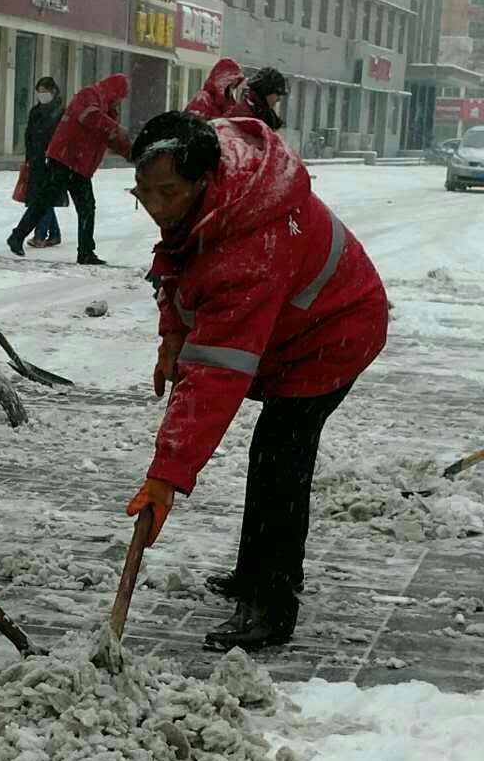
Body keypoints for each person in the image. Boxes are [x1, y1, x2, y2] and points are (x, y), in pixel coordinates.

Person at [126, 111, 388, 653]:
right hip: (294, 324)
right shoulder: (212, 194)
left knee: (280, 456)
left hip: (334, 332)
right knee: (272, 454)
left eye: (167, 192)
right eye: (142, 191)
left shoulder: (251, 246)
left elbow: (216, 374)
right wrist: (171, 334)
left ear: (203, 181)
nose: (154, 206)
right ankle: (256, 573)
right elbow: (178, 262)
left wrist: (167, 475)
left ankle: (271, 604)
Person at [7, 73, 131, 265]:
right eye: (119, 98)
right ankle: (18, 236)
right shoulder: (89, 95)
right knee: (47, 200)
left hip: (79, 164)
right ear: (113, 91)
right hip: (65, 158)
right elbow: (89, 116)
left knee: (85, 206)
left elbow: (111, 138)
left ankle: (85, 252)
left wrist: (133, 153)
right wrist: (114, 127)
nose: (119, 103)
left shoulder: (108, 111)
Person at [23, 76, 65, 249]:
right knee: (41, 197)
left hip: (52, 161)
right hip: (36, 160)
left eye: (45, 91)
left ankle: (40, 235)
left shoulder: (60, 112)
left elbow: (62, 137)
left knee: (43, 198)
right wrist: (29, 157)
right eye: (39, 91)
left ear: (53, 91)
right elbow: (29, 135)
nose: (42, 94)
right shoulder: (35, 111)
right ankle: (54, 234)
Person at [233, 66, 288, 131]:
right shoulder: (243, 115)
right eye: (277, 94)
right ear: (266, 91)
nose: (278, 99)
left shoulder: (266, 112)